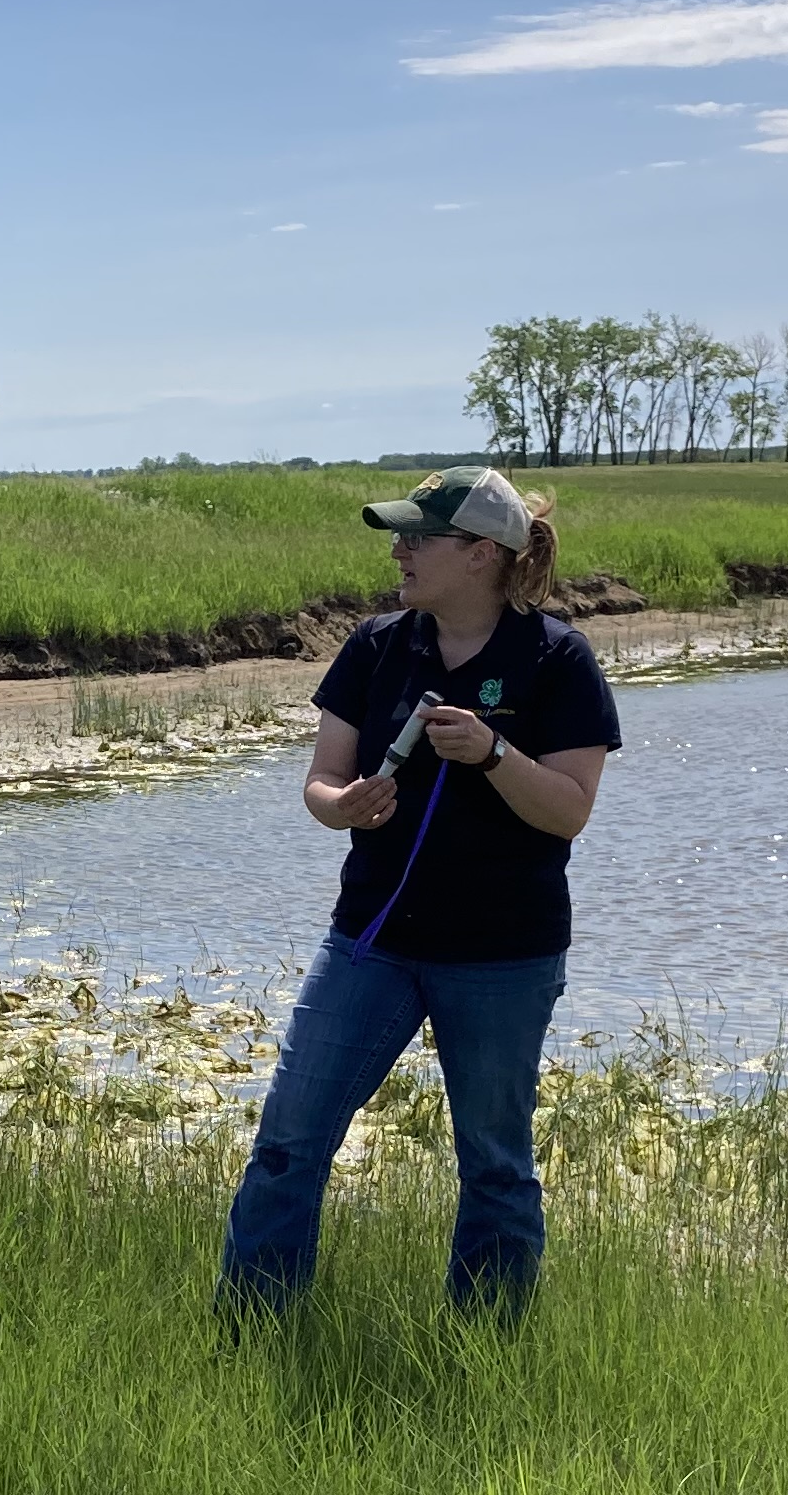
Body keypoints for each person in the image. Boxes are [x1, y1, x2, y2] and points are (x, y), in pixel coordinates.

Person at [219, 467, 620, 1315]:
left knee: (496, 1164)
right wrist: (344, 806)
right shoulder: (375, 646)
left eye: (416, 537)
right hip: (372, 941)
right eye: (397, 535)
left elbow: (569, 813)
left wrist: (494, 755)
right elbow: (323, 783)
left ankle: (488, 1344)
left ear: (480, 554)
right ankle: (251, 1327)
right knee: (290, 1138)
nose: (398, 551)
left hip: (503, 955)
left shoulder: (557, 660)